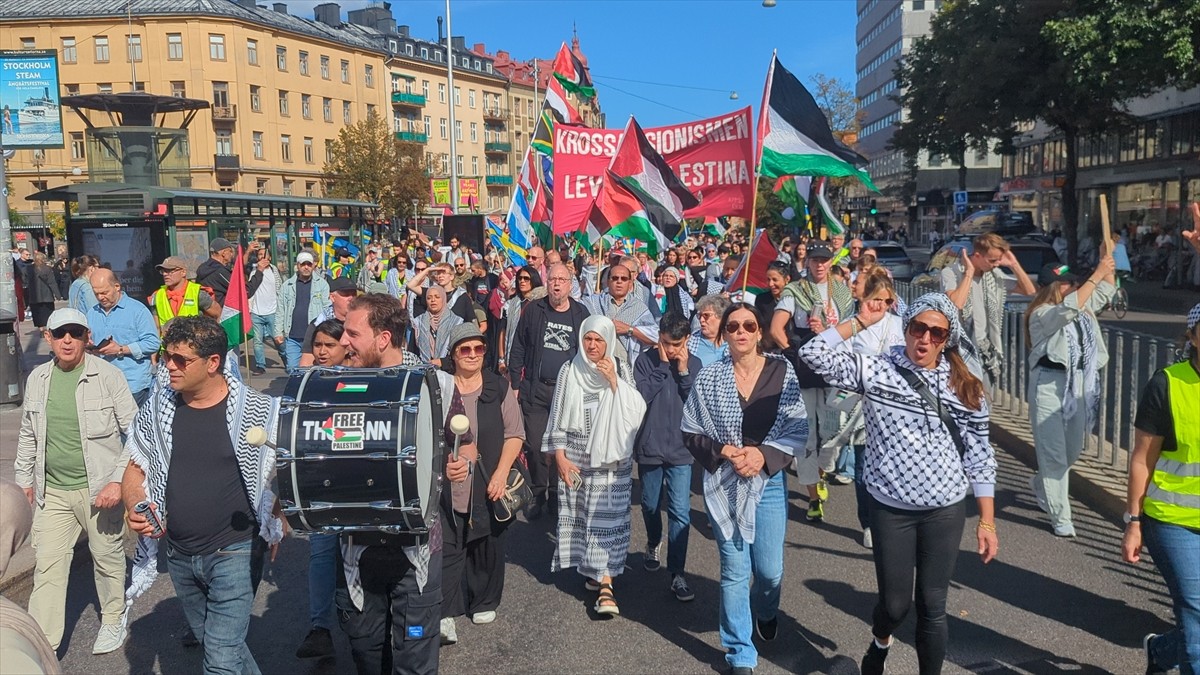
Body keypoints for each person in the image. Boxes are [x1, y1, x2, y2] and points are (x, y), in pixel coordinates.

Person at [798, 293, 999, 675]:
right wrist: (860, 321)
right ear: (906, 329)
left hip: (944, 509)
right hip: (891, 506)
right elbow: (813, 354)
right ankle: (881, 641)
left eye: (936, 333)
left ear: (947, 340)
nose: (924, 339)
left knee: (933, 606)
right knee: (894, 606)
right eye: (918, 328)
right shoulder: (878, 369)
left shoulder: (965, 387)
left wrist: (987, 520)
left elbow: (979, 455)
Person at [122, 316, 283, 675]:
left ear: (213, 363)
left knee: (221, 660)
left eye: (182, 360)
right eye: (168, 356)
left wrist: (277, 513)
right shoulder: (156, 409)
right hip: (179, 554)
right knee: (223, 648)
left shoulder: (258, 411)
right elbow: (135, 469)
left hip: (235, 551)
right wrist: (135, 503)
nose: (171, 366)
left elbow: (285, 468)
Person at [681, 303, 807, 675]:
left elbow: (797, 428)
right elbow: (690, 430)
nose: (741, 331)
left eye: (748, 325)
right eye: (733, 325)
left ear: (758, 331)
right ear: (724, 334)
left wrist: (763, 455)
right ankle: (740, 653)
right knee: (735, 571)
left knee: (769, 572)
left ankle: (766, 610)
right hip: (724, 481)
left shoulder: (781, 372)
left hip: (767, 482)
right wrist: (721, 451)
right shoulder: (709, 378)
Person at [335, 294, 455, 674]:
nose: (342, 342)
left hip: (416, 548)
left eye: (352, 333)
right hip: (358, 546)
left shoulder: (435, 384)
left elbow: (463, 441)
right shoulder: (334, 387)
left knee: (414, 661)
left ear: (383, 338)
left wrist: (462, 464)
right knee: (366, 656)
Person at [15, 308, 138, 656]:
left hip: (98, 488)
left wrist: (117, 482)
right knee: (49, 566)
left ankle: (113, 616)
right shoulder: (38, 378)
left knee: (106, 557)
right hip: (52, 490)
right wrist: (24, 478)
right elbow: (28, 433)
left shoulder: (107, 376)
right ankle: (42, 645)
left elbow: (136, 433)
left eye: (74, 332)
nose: (67, 340)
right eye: (60, 333)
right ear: (49, 338)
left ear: (85, 336)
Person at [546, 316, 647, 616]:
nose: (592, 345)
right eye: (588, 339)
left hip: (612, 461)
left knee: (610, 520)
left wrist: (614, 382)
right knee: (584, 518)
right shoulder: (569, 369)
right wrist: (560, 457)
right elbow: (558, 411)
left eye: (598, 340)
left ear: (608, 342)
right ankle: (594, 570)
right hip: (577, 457)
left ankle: (607, 585)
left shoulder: (621, 367)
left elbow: (635, 410)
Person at [1124, 302, 1200, 675]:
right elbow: (1142, 460)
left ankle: (1162, 652)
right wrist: (1134, 522)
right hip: (1172, 521)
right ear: (1193, 337)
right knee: (1196, 610)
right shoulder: (1168, 383)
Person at [438, 324, 525, 643]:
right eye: (465, 349)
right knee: (448, 547)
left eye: (479, 349)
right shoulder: (441, 389)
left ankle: (484, 600)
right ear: (453, 354)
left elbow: (516, 433)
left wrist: (502, 473)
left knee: (488, 542)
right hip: (449, 482)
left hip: (490, 480)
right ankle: (445, 612)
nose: (473, 355)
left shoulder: (497, 386)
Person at [1025, 257, 1116, 537]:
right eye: (1069, 282)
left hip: (1077, 384)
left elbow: (1105, 291)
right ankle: (1061, 518)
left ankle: (1042, 484)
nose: (1075, 286)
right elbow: (1068, 309)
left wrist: (1108, 264)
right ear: (1053, 286)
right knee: (1053, 455)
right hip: (1048, 385)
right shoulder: (1042, 313)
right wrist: (1096, 273)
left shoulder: (1083, 306)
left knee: (1073, 449)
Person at [771, 242, 854, 522]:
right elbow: (776, 327)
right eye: (815, 259)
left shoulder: (842, 291)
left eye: (824, 260)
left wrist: (829, 331)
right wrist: (793, 352)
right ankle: (813, 497)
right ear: (807, 261)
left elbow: (852, 329)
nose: (819, 264)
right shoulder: (795, 290)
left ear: (831, 262)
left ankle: (821, 472)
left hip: (835, 368)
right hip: (805, 369)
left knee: (834, 430)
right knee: (806, 433)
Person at [508, 263, 590, 519]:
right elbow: (519, 346)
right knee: (534, 445)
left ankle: (556, 494)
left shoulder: (580, 313)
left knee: (559, 447)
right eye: (552, 279)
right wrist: (514, 384)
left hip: (567, 392)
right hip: (536, 388)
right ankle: (538, 492)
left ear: (570, 284)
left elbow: (588, 352)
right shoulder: (534, 310)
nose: (556, 284)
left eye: (561, 280)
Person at [290, 319, 349, 660]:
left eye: (330, 344)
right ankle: (319, 628)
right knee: (322, 551)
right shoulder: (304, 383)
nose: (322, 351)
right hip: (319, 482)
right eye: (318, 345)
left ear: (346, 346)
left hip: (357, 481)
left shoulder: (363, 379)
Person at [835, 268, 906, 548]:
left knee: (895, 466)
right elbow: (838, 363)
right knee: (865, 467)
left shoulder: (902, 326)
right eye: (875, 298)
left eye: (886, 300)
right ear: (865, 298)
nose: (880, 305)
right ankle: (869, 523)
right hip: (863, 409)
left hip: (896, 410)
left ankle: (894, 519)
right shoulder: (854, 325)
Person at [633, 313, 700, 602]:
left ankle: (678, 573)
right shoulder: (645, 360)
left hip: (681, 450)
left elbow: (696, 406)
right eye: (665, 343)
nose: (670, 350)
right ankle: (652, 541)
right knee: (649, 504)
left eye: (676, 344)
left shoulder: (695, 364)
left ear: (686, 340)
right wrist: (662, 366)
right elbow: (640, 398)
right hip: (650, 445)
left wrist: (683, 372)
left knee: (680, 512)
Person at [940, 232, 1037, 385]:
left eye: (999, 260)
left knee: (985, 402)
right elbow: (956, 303)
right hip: (959, 349)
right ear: (977, 256)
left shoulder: (993, 276)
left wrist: (1014, 265)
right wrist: (969, 273)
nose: (996, 264)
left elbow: (1030, 291)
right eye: (992, 260)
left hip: (985, 350)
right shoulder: (951, 273)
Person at [86, 269, 161, 405]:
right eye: (96, 294)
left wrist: (121, 349)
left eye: (104, 292)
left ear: (117, 286)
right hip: (103, 384)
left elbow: (153, 343)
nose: (100, 297)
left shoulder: (138, 310)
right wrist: (87, 345)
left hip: (132, 384)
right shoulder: (92, 313)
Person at [583, 261, 658, 366]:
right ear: (608, 282)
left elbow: (656, 336)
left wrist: (630, 329)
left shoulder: (639, 308)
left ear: (630, 283)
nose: (619, 282)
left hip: (625, 367)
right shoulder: (593, 303)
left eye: (624, 279)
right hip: (595, 365)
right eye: (615, 278)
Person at [274, 251, 331, 373]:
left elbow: (328, 308)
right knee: (292, 369)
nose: (306, 267)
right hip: (293, 337)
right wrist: (278, 332)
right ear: (298, 266)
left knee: (312, 371)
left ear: (313, 266)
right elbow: (280, 310)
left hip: (313, 337)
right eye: (303, 264)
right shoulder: (287, 286)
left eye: (309, 264)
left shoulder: (322, 285)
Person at [147, 256, 221, 334]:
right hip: (167, 344)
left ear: (183, 272)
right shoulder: (157, 296)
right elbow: (156, 328)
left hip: (193, 344)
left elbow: (219, 314)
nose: (165, 274)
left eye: (170, 271)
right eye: (163, 271)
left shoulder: (197, 293)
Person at [497, 265, 544, 375]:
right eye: (520, 278)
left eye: (526, 278)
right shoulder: (510, 303)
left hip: (533, 360)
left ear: (533, 279)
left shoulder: (542, 303)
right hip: (512, 359)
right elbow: (503, 332)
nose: (522, 281)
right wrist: (501, 359)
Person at [247, 248, 282, 375]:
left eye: (264, 255)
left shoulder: (274, 271)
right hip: (256, 312)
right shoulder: (254, 272)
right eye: (259, 255)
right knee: (257, 341)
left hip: (272, 311)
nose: (262, 257)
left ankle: (287, 360)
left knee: (277, 339)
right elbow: (250, 291)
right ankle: (260, 365)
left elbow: (280, 289)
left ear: (270, 258)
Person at [411, 285, 463, 366]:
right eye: (429, 298)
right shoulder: (418, 322)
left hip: (449, 369)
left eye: (437, 297)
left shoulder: (456, 322)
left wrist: (442, 362)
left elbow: (460, 352)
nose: (433, 300)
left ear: (443, 299)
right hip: (423, 368)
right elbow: (412, 351)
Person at [689, 294, 730, 367]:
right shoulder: (690, 343)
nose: (701, 320)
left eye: (706, 315)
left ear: (721, 316)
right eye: (699, 316)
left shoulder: (733, 343)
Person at [28, 253, 58, 329]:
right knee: (48, 313)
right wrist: (57, 294)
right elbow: (52, 282)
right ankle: (47, 328)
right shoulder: (47, 269)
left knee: (37, 314)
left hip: (34, 296)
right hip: (47, 296)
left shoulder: (29, 269)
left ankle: (41, 329)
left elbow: (25, 281)